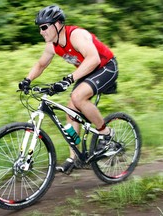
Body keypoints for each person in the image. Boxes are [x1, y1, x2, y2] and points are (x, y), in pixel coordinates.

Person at [19, 5, 118, 174]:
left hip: (105, 67)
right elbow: (41, 64)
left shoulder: (76, 36)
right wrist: (27, 79)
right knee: (70, 110)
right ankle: (75, 157)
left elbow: (93, 59)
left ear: (57, 25)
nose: (41, 32)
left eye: (44, 27)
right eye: (39, 28)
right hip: (87, 71)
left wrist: (69, 79)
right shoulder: (52, 45)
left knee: (78, 97)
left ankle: (106, 133)